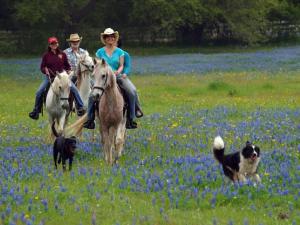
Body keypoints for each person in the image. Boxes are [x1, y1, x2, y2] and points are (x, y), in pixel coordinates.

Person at [83, 28, 143, 129]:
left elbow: (121, 65)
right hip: (102, 78)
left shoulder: (120, 52)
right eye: (108, 37)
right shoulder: (100, 52)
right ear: (105, 39)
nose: (110, 38)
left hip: (117, 76)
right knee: (91, 95)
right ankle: (90, 119)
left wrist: (119, 72)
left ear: (115, 39)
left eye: (112, 37)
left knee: (132, 91)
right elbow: (97, 64)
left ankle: (132, 117)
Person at [29, 36, 85, 120]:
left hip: (62, 77)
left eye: (55, 43)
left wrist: (69, 70)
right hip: (50, 77)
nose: (54, 45)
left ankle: (80, 107)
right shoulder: (46, 55)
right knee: (39, 92)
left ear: (58, 44)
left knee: (73, 88)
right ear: (49, 45)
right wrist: (45, 70)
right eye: (52, 44)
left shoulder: (62, 54)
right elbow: (42, 67)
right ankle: (36, 111)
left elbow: (67, 66)